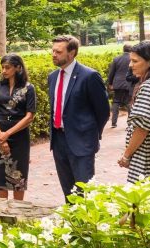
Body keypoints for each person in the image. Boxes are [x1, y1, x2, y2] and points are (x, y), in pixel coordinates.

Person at [48, 35, 110, 203]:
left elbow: (103, 110)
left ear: (72, 53)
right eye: (53, 50)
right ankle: (73, 224)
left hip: (82, 141)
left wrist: (91, 133)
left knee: (84, 190)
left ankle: (88, 226)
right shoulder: (52, 77)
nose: (53, 54)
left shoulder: (89, 76)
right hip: (58, 140)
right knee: (67, 189)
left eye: (58, 51)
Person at [117, 41, 150, 183]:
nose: (130, 65)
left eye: (135, 61)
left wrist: (126, 155)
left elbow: (142, 128)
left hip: (147, 151)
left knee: (144, 198)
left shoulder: (149, 87)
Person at [0, 54, 36, 200]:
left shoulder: (29, 88)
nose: (3, 71)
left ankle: (17, 211)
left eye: (7, 67)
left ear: (18, 67)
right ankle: (3, 212)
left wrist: (7, 134)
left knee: (19, 177)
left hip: (20, 136)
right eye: (2, 67)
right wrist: (1, 137)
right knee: (1, 176)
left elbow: (29, 116)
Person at [107, 44, 133, 128]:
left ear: (123, 50)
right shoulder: (133, 59)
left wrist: (110, 83)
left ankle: (113, 123)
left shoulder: (116, 59)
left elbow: (111, 73)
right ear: (131, 50)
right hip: (128, 83)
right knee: (128, 102)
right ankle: (130, 123)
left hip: (117, 83)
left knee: (116, 102)